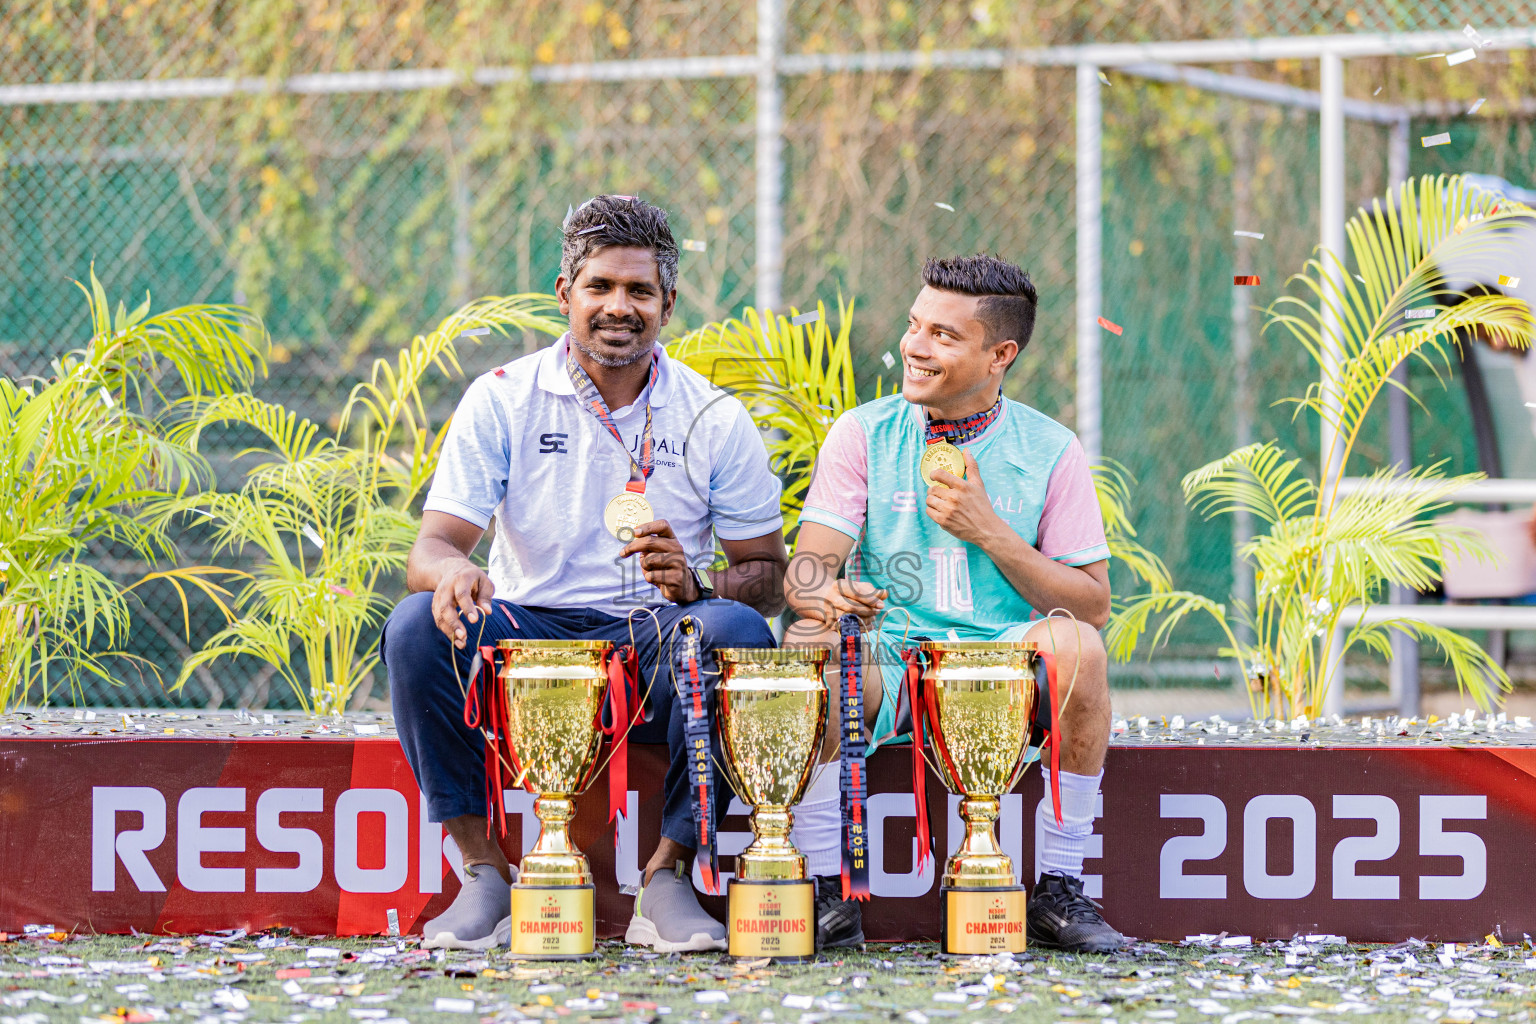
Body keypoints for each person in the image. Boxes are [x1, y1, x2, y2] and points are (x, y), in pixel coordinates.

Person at [381, 195, 788, 952]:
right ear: (565, 295)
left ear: (668, 303)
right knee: (416, 627)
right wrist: (456, 574)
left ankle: (668, 878)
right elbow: (431, 547)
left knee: (736, 631)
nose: (618, 307)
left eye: (639, 291)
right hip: (527, 628)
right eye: (600, 287)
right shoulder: (503, 396)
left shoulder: (714, 415)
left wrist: (698, 586)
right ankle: (484, 875)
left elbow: (767, 574)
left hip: (655, 632)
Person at [783, 253, 1127, 953]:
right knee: (810, 640)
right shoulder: (864, 432)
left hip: (1001, 661)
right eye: (915, 326)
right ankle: (825, 888)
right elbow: (807, 571)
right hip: (895, 655)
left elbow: (1091, 604)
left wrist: (990, 531)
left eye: (943, 335)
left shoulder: (1050, 449)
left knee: (1081, 650)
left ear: (1000, 354)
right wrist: (833, 593)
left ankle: (1059, 887)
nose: (914, 346)